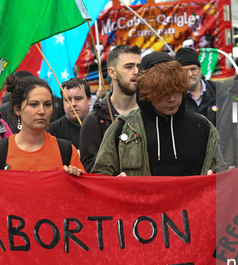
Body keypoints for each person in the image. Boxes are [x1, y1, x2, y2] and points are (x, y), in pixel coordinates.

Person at [91, 52, 220, 177]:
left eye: (176, 90)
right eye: (162, 93)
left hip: (193, 198)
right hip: (138, 198)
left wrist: (215, 176)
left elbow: (223, 176)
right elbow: (99, 178)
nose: (171, 99)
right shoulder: (124, 128)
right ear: (147, 93)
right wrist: (115, 184)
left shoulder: (203, 127)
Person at [0, 76, 84, 178]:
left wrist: (76, 179)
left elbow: (85, 197)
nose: (42, 111)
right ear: (17, 109)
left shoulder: (66, 151)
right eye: (34, 104)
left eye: (47, 104)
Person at [79, 45, 141, 173]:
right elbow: (89, 172)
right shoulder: (95, 119)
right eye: (129, 67)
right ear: (112, 73)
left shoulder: (150, 112)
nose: (136, 71)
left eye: (139, 66)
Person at [175, 47, 228, 126]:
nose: (190, 74)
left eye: (193, 69)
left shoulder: (219, 90)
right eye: (185, 70)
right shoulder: (174, 96)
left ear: (200, 70)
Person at [46, 78, 91, 149]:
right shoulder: (52, 131)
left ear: (89, 99)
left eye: (78, 98)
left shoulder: (100, 125)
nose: (73, 104)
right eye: (68, 100)